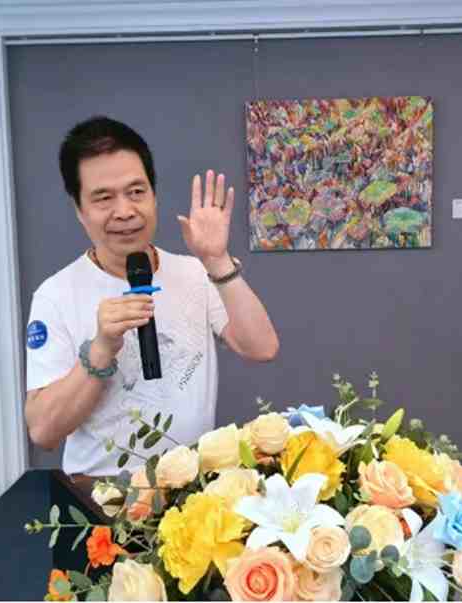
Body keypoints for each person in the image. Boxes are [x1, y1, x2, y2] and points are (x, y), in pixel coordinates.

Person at [24, 116, 279, 477]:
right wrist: (100, 349)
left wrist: (217, 260)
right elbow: (43, 432)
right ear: (79, 210)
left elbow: (262, 347)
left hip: (193, 492)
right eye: (104, 198)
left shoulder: (195, 273)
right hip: (100, 495)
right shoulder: (55, 296)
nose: (125, 211)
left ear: (154, 195)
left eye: (136, 192)